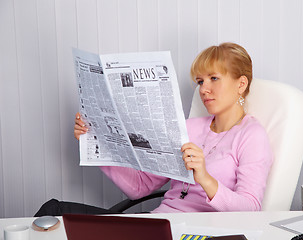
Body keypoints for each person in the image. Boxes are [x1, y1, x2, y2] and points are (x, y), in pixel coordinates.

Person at [36, 42, 273, 216]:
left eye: (214, 78)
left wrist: (204, 178)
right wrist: (95, 143)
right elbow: (140, 188)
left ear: (241, 84)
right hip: (158, 223)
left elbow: (250, 208)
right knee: (53, 212)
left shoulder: (251, 135)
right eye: (200, 81)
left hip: (198, 231)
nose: (203, 89)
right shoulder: (189, 127)